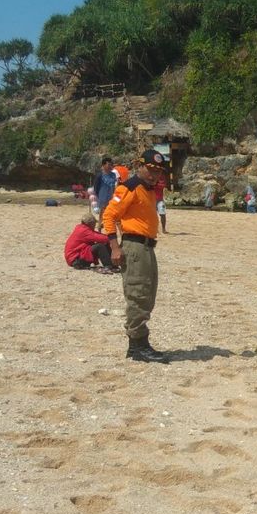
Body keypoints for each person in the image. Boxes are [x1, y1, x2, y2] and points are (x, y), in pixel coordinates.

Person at [103, 149, 170, 363]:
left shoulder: (148, 190)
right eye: (150, 169)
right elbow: (109, 215)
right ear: (139, 166)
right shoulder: (129, 187)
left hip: (147, 247)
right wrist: (114, 247)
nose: (154, 174)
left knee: (147, 293)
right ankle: (137, 345)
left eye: (158, 171)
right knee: (137, 294)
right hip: (134, 246)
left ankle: (140, 345)